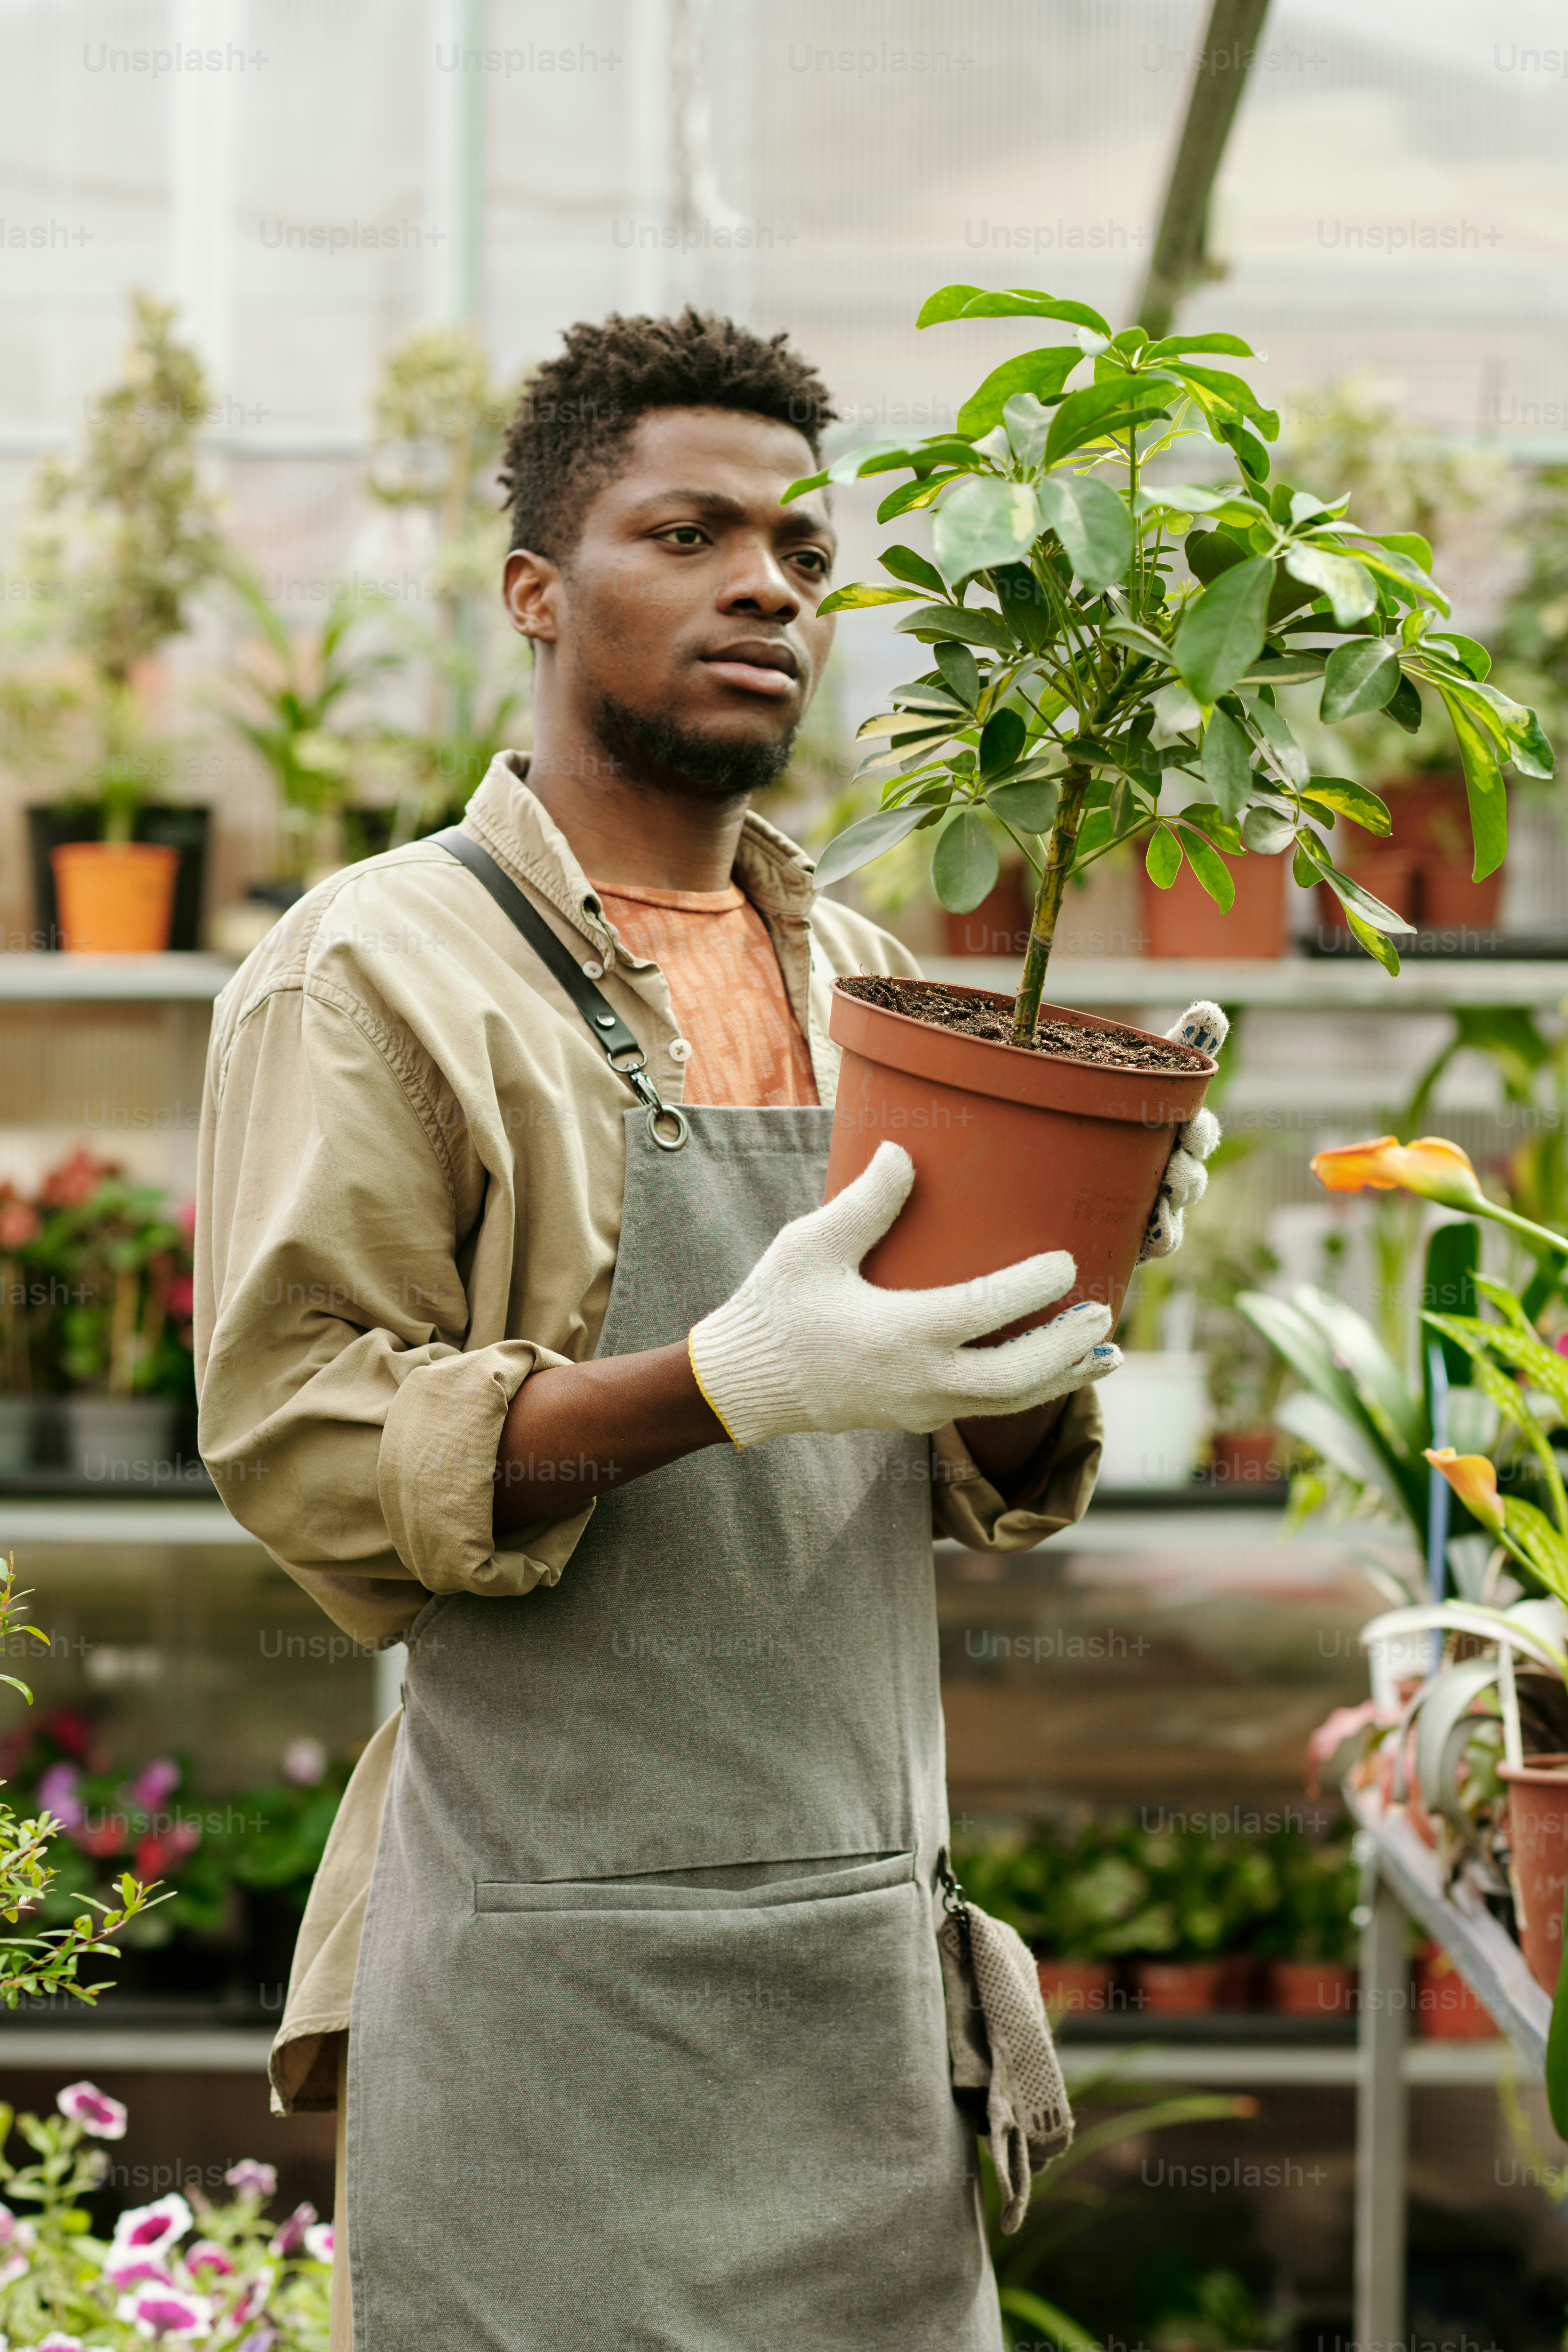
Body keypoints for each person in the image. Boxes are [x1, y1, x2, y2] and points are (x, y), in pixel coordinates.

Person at [195, 309, 1221, 2352]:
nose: (772, 584)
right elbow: (306, 1438)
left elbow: (950, 1482)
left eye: (808, 553)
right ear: (539, 594)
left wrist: (1062, 1306)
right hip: (556, 2009)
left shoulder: (869, 975)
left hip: (859, 1998)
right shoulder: (385, 970)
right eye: (693, 532)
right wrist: (724, 1382)